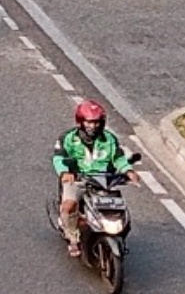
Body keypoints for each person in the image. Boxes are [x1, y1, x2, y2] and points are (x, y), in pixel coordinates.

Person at [54, 100, 135, 256]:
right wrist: (65, 172)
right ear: (81, 122)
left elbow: (118, 158)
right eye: (89, 122)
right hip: (78, 178)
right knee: (69, 205)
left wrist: (128, 171)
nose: (93, 126)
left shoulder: (109, 139)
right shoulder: (68, 138)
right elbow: (59, 158)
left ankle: (117, 234)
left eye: (97, 123)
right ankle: (72, 237)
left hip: (104, 180)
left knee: (118, 209)